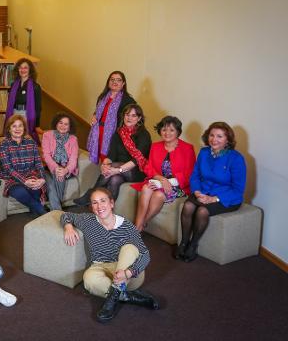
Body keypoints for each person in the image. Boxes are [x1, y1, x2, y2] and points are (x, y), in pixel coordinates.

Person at [61, 187, 159, 323]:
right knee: (88, 279)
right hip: (101, 267)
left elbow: (145, 254)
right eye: (94, 202)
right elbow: (65, 215)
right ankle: (128, 296)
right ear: (91, 206)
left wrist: (128, 273)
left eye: (103, 201)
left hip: (129, 274)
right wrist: (69, 227)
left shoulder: (127, 226)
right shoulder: (88, 221)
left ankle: (112, 299)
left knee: (130, 248)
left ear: (111, 203)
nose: (99, 206)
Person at [175, 122, 246, 262]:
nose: (214, 139)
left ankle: (193, 245)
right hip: (203, 192)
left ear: (228, 139)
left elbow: (238, 189)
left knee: (202, 211)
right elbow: (195, 175)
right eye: (212, 135)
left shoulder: (236, 158)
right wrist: (196, 192)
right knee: (188, 206)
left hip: (226, 197)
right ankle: (183, 242)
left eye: (220, 136)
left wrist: (214, 199)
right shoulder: (204, 152)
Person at [75, 104, 151, 205]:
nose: (129, 118)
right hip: (118, 170)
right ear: (123, 116)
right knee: (115, 180)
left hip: (138, 171)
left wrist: (116, 170)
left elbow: (136, 160)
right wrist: (104, 165)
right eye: (127, 115)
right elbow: (111, 156)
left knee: (114, 168)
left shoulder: (144, 135)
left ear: (139, 118)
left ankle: (91, 194)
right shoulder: (118, 134)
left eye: (133, 116)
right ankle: (107, 210)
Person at [131, 116, 196, 231]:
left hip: (178, 185)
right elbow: (149, 167)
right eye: (164, 129)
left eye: (171, 130)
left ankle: (139, 226)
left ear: (178, 132)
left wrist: (169, 182)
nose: (167, 133)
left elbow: (190, 173)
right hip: (158, 181)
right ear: (160, 130)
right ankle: (138, 225)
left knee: (158, 195)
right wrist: (162, 180)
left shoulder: (188, 148)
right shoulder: (155, 146)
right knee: (146, 189)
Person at [0, 114, 47, 216]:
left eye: (20, 125)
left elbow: (38, 163)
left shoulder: (31, 142)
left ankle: (35, 212)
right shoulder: (4, 144)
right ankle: (43, 212)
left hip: (30, 175)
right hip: (10, 178)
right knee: (20, 192)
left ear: (24, 128)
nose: (17, 129)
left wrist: (42, 178)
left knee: (36, 189)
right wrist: (25, 181)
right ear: (9, 129)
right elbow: (8, 169)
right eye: (14, 126)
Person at [87, 71, 136, 164]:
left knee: (110, 159)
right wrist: (94, 115)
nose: (115, 82)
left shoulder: (128, 100)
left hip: (114, 135)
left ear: (123, 84)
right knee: (102, 158)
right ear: (108, 82)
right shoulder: (102, 96)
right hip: (99, 132)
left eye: (118, 80)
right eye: (112, 79)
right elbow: (98, 111)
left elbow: (132, 119)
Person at [42, 112, 79, 210]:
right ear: (56, 123)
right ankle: (57, 209)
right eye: (60, 123)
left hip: (66, 168)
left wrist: (65, 170)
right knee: (49, 180)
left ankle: (54, 208)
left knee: (60, 176)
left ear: (70, 127)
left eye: (66, 124)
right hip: (49, 167)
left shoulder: (73, 139)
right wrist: (56, 168)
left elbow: (73, 159)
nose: (63, 126)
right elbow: (46, 155)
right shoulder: (47, 135)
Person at [4, 58, 42, 142]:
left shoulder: (35, 87)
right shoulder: (14, 84)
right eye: (20, 67)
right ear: (17, 69)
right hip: (14, 113)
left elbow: (38, 107)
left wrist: (37, 125)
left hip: (27, 115)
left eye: (25, 68)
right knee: (13, 137)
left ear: (30, 70)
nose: (23, 70)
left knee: (25, 138)